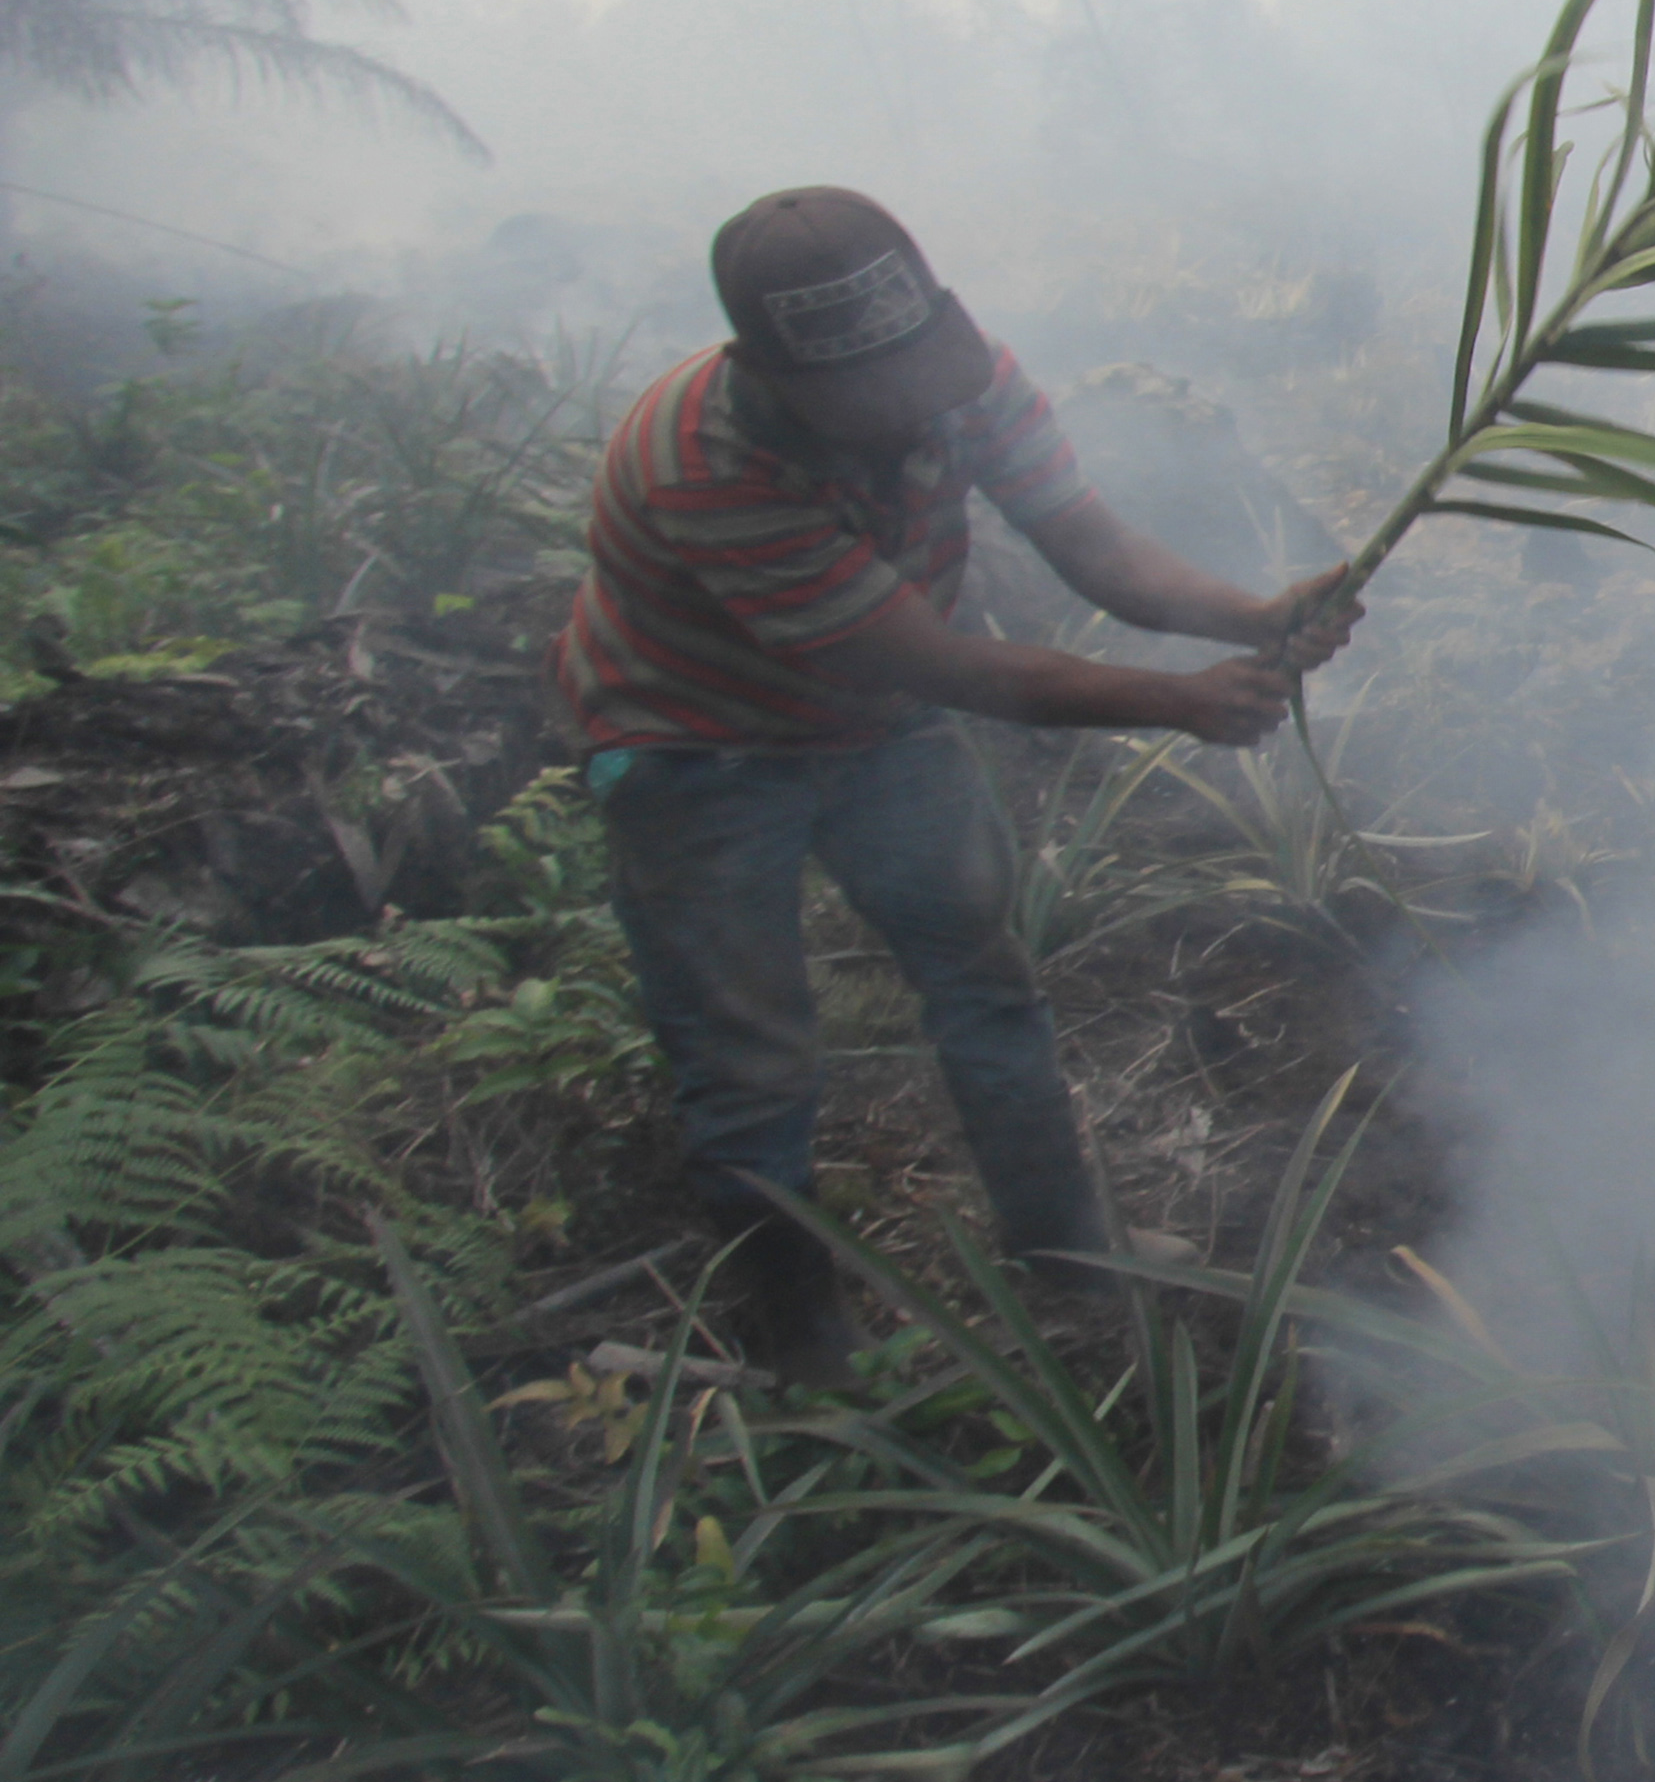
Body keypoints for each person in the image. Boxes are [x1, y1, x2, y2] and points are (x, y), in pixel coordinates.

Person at [553, 187, 1358, 1373]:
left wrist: (1251, 613)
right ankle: (802, 1349)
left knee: (985, 980)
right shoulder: (698, 464)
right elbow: (937, 662)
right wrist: (1173, 702)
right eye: (869, 397)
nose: (910, 413)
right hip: (697, 748)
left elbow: (1091, 546)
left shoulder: (967, 377)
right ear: (770, 374)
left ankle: (1065, 1249)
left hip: (876, 725)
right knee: (749, 1056)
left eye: (918, 375)